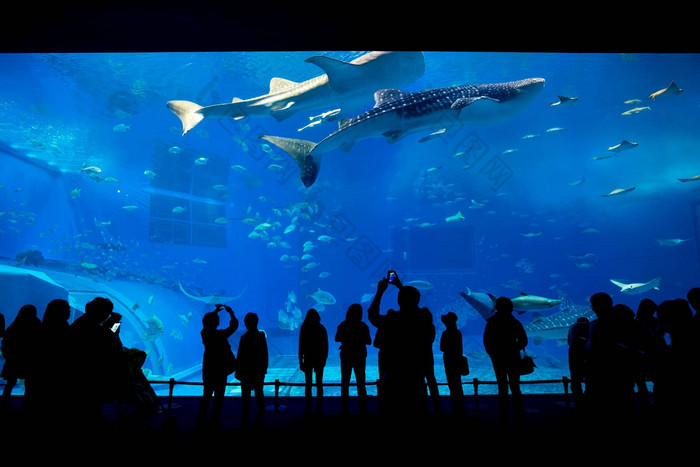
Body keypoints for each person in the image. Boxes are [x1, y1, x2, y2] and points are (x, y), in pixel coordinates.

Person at [367, 271, 433, 419]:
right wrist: (399, 286)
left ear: (399, 301)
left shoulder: (393, 319)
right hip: (416, 367)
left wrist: (380, 291)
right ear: (418, 299)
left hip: (393, 369)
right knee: (417, 402)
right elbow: (410, 303)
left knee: (392, 404)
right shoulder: (424, 317)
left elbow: (372, 315)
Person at [67, 297, 123, 425]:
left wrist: (110, 326)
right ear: (100, 312)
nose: (107, 316)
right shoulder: (91, 327)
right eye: (106, 313)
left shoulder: (81, 323)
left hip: (81, 377)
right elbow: (111, 343)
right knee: (88, 409)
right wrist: (113, 326)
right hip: (88, 377)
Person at [483, 296, 528, 423]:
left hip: (498, 358)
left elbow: (487, 341)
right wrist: (515, 348)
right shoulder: (515, 322)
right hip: (513, 357)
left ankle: (503, 414)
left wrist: (492, 354)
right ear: (511, 308)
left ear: (497, 307)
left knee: (502, 386)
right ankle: (518, 414)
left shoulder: (492, 322)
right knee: (515, 386)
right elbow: (524, 340)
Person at [197, 303, 238, 429]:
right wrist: (231, 313)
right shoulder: (221, 335)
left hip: (209, 368)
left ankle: (200, 420)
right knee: (219, 397)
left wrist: (214, 313)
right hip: (220, 369)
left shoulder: (204, 334)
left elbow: (207, 323)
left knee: (207, 395)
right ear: (217, 323)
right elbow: (233, 326)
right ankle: (214, 421)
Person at [33, 299, 71, 424]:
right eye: (67, 310)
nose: (69, 312)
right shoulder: (61, 328)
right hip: (54, 374)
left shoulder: (43, 326)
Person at [1, 305, 41, 414]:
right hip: (29, 360)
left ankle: (5, 407)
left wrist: (8, 355)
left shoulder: (14, 325)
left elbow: (5, 343)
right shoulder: (36, 324)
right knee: (30, 385)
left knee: (10, 384)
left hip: (14, 360)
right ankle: (27, 408)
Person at [335, 303, 372, 414]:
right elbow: (369, 341)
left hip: (346, 355)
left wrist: (346, 340)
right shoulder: (363, 326)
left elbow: (336, 338)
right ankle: (363, 409)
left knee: (345, 382)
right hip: (360, 355)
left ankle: (344, 409)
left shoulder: (343, 325)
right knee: (361, 382)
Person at [236, 312, 268, 428]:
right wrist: (264, 369)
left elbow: (240, 356)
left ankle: (245, 420)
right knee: (259, 394)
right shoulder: (261, 336)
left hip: (246, 372)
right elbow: (265, 354)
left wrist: (238, 369)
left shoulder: (244, 338)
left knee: (246, 396)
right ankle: (261, 419)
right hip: (258, 371)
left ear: (246, 323)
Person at [298, 308, 328, 415]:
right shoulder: (321, 328)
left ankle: (308, 408)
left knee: (308, 384)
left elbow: (300, 346)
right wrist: (324, 360)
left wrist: (300, 361)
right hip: (319, 358)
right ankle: (318, 408)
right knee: (319, 384)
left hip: (308, 358)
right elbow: (325, 347)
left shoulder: (304, 328)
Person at [440, 311, 464, 415]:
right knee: (458, 383)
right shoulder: (458, 332)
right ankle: (460, 407)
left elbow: (442, 348)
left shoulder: (446, 333)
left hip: (449, 360)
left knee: (452, 384)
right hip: (457, 359)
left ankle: (456, 407)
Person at [567, 317, 589, 410]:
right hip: (589, 356)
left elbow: (569, 342)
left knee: (575, 382)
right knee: (590, 381)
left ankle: (579, 404)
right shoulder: (590, 327)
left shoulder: (573, 327)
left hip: (574, 357)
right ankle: (589, 403)